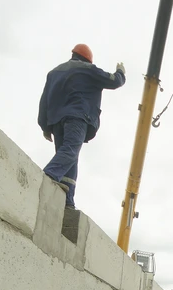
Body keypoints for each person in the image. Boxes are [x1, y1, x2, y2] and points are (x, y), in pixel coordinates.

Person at [37, 43, 126, 210]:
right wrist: (121, 72)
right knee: (70, 151)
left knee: (69, 158)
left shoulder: (54, 72)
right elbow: (114, 81)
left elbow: (44, 101)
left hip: (56, 121)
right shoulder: (88, 70)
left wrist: (44, 125)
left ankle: (68, 201)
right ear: (88, 59)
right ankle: (49, 174)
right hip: (77, 117)